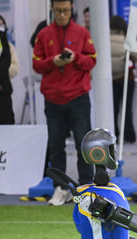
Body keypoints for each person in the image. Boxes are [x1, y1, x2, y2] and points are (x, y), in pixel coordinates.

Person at [32, 0, 96, 206]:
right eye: (58, 10)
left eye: (66, 10)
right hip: (53, 99)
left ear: (71, 10)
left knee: (83, 144)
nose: (62, 14)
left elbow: (92, 60)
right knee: (56, 146)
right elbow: (36, 65)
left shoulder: (82, 33)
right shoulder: (43, 34)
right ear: (52, 9)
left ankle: (86, 188)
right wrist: (53, 61)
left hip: (78, 97)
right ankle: (60, 188)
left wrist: (75, 57)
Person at [110, 15, 137, 143]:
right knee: (127, 109)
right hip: (126, 77)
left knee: (113, 108)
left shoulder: (103, 39)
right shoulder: (127, 39)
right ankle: (129, 135)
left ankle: (114, 135)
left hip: (110, 80)